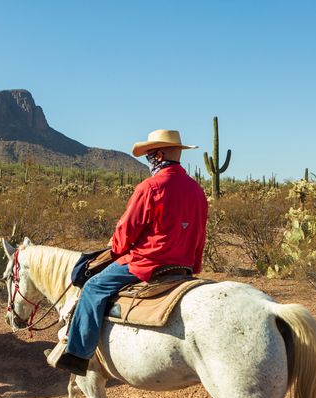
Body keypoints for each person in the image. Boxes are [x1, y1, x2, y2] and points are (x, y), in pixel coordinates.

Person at [50, 129, 208, 375]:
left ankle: (78, 355)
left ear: (158, 155)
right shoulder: (197, 190)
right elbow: (199, 233)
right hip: (182, 265)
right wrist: (192, 267)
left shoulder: (151, 187)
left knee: (93, 287)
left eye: (149, 156)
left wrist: (115, 250)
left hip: (147, 262)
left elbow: (126, 231)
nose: (148, 161)